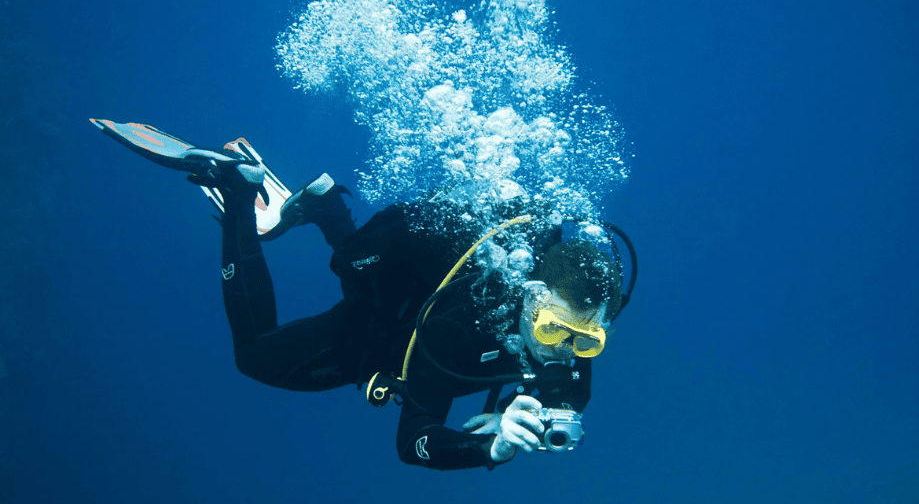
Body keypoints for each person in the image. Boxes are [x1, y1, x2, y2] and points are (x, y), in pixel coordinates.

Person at [191, 152, 631, 471]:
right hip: (381, 326)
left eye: (588, 341)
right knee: (255, 356)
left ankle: (326, 207)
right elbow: (413, 439)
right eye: (552, 329)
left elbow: (571, 395)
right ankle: (238, 191)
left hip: (418, 291)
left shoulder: (571, 332)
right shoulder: (458, 328)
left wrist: (509, 420)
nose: (563, 352)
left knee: (360, 264)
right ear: (531, 296)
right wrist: (487, 449)